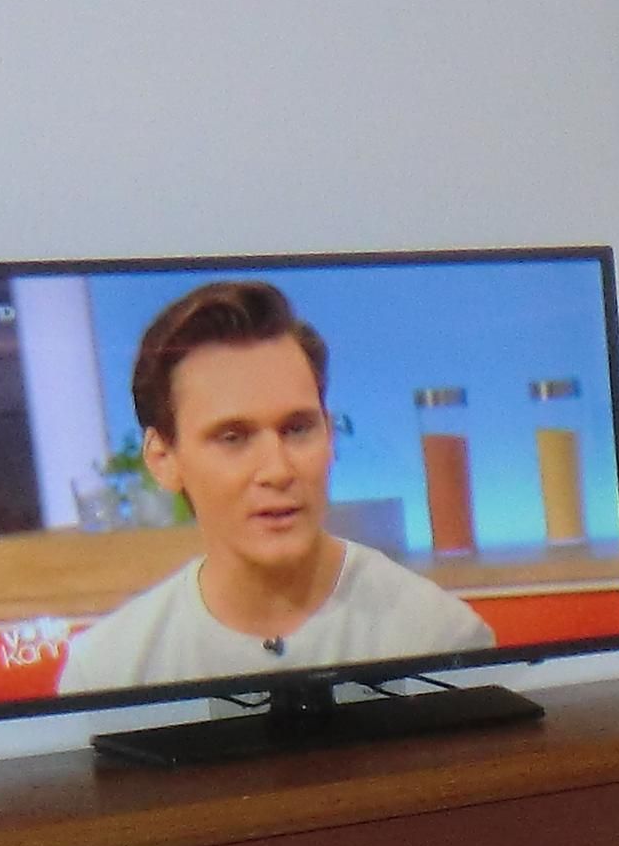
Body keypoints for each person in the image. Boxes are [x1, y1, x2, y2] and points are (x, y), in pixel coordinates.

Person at [55, 280, 493, 693]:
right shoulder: (108, 673)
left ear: (330, 436)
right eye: (233, 437)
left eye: (297, 429)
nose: (278, 470)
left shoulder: (440, 639)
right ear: (163, 459)